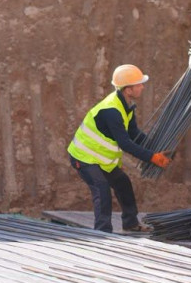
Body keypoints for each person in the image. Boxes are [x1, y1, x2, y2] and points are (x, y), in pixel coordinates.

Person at [67, 64, 172, 233]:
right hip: (84, 158)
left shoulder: (126, 106)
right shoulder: (111, 111)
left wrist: (154, 148)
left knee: (123, 183)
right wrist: (152, 157)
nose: (142, 87)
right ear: (128, 90)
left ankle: (130, 224)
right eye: (138, 84)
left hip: (100, 159)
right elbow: (125, 144)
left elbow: (134, 134)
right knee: (102, 190)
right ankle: (102, 233)